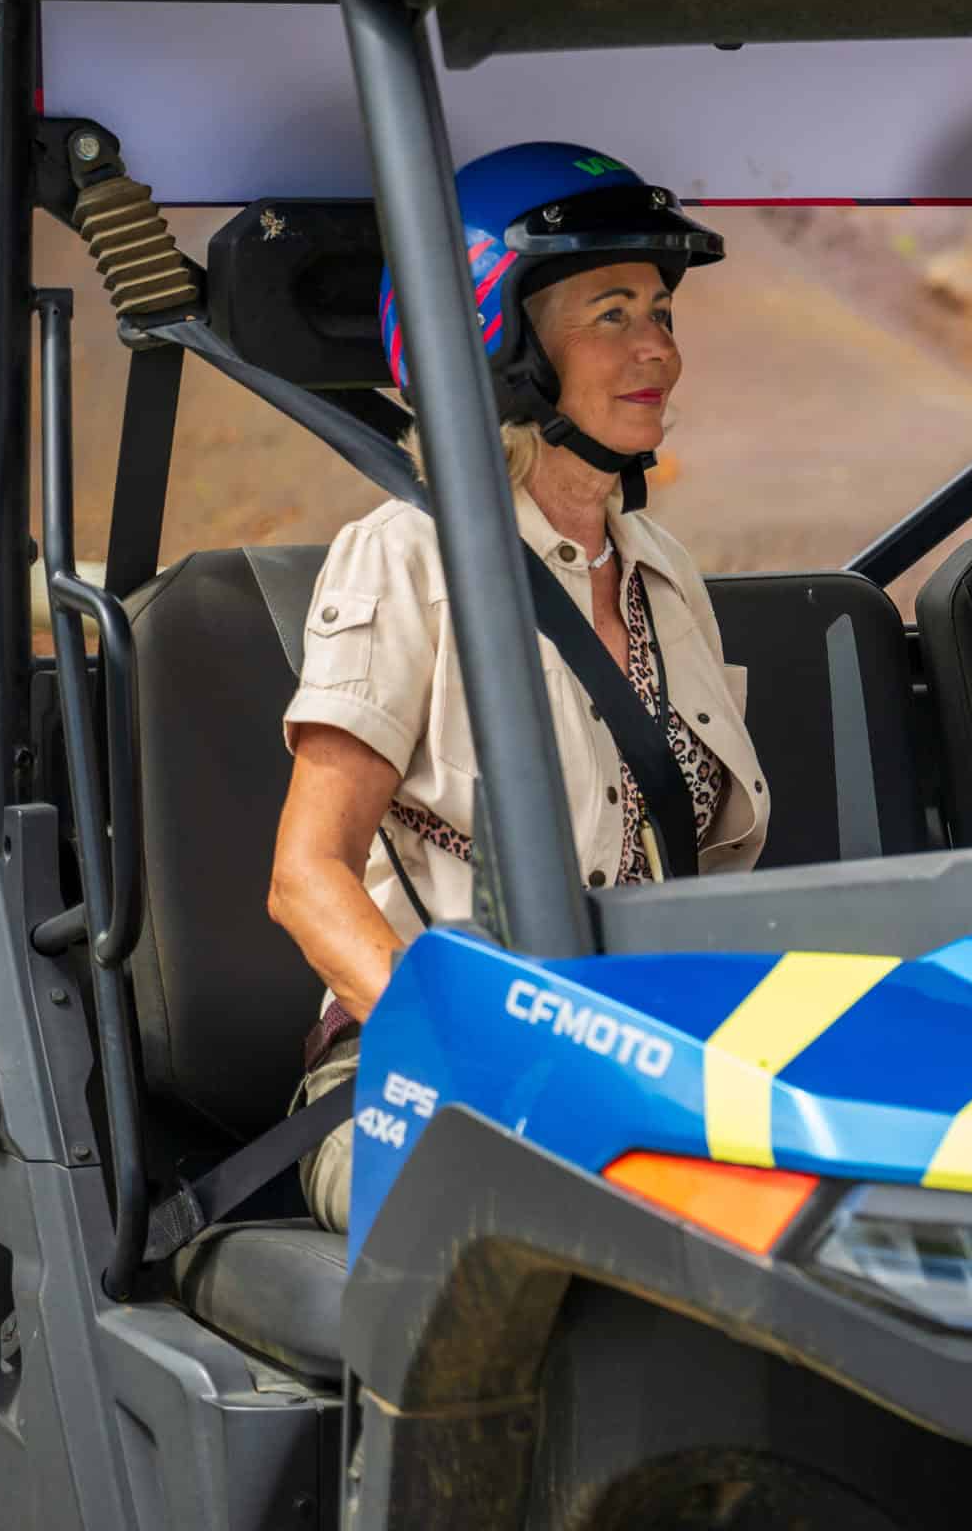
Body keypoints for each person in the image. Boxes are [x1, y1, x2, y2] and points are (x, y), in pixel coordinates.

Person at [267, 141, 772, 1228]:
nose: (661, 353)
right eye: (612, 314)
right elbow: (307, 878)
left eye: (662, 313)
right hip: (423, 1076)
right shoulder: (408, 553)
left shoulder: (666, 571)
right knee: (573, 1219)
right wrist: (465, 1053)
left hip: (637, 1056)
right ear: (498, 345)